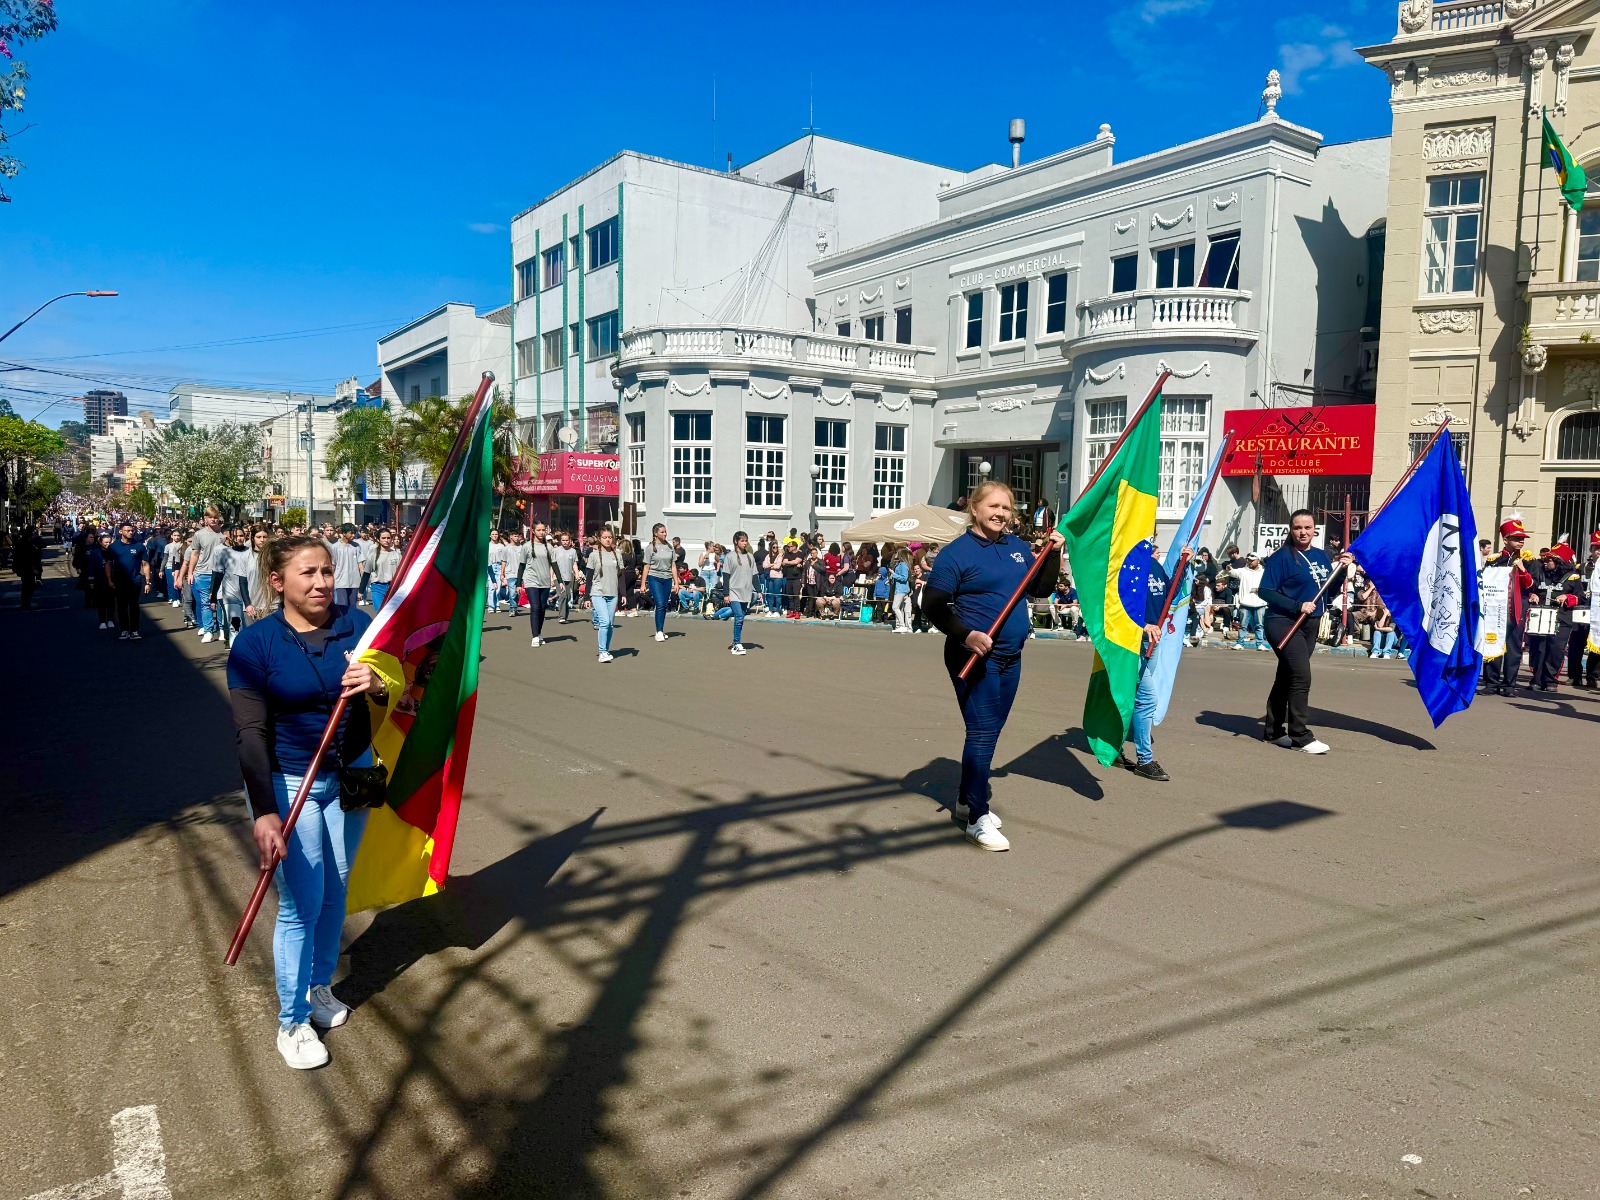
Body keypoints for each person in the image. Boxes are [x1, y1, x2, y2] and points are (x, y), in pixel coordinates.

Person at [227, 533, 397, 1069]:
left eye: (327, 571)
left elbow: (394, 687)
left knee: (335, 892)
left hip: (347, 779)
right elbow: (250, 733)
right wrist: (265, 812)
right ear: (278, 582)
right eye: (309, 573)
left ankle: (319, 988)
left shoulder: (357, 622)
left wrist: (375, 683)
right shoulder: (256, 645)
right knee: (301, 904)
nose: (323, 582)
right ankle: (292, 1022)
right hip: (289, 783)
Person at [921, 481, 1062, 852]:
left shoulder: (1016, 548)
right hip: (973, 656)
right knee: (982, 732)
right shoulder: (957, 553)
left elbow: (1041, 590)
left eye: (1007, 508)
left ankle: (967, 798)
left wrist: (1054, 554)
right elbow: (932, 603)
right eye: (994, 506)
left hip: (1010, 657)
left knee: (992, 730)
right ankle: (977, 816)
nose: (1001, 513)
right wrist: (966, 635)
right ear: (976, 508)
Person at [1258, 509, 1352, 754]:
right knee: (1301, 676)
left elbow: (1327, 592)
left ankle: (1273, 731)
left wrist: (1341, 571)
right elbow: (1265, 591)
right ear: (1291, 530)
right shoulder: (1281, 558)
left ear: (1314, 530)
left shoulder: (1321, 556)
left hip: (1310, 624)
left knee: (1286, 677)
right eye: (1298, 527)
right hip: (1283, 623)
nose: (1303, 532)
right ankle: (1300, 736)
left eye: (1307, 527)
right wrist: (1296, 605)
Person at [1123, 547, 1172, 781]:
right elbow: (1115, 605)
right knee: (1147, 699)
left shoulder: (1155, 565)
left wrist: (1186, 562)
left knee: (1132, 697)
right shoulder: (1125, 564)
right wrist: (1141, 625)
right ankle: (1145, 759)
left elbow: (1171, 591)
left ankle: (1113, 745)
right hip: (1132, 642)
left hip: (1153, 639)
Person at [1482, 517, 1537, 697]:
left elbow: (1532, 586)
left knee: (1514, 647)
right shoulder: (1494, 559)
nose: (1521, 541)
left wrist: (1522, 570)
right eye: (1516, 538)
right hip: (1495, 608)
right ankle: (1491, 683)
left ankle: (1509, 684)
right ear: (1505, 539)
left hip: (1518, 608)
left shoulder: (1529, 561)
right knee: (1492, 641)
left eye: (1522, 538)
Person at [1528, 543, 1584, 691]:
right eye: (1546, 560)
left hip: (1562, 618)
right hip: (1541, 617)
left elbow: (1581, 598)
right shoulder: (1541, 573)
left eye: (1550, 560)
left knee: (1555, 649)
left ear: (1560, 562)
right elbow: (1530, 590)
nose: (1546, 562)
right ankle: (1536, 679)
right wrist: (1532, 595)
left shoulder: (1573, 577)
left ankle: (1550, 681)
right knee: (1538, 648)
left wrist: (1567, 596)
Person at [183, 507, 227, 643]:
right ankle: (208, 630)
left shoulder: (224, 534)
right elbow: (194, 554)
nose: (213, 520)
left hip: (221, 573)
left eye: (215, 517)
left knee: (221, 603)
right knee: (205, 603)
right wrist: (190, 573)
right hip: (203, 573)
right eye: (210, 517)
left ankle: (222, 630)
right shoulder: (199, 535)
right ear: (205, 519)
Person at [106, 520, 152, 641]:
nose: (131, 532)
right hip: (119, 581)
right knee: (121, 606)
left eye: (132, 530)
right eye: (128, 530)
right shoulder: (113, 547)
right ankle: (124, 630)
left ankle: (135, 630)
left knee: (134, 606)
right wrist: (109, 580)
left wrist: (148, 582)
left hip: (135, 580)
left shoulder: (139, 546)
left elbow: (145, 564)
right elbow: (108, 564)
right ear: (121, 531)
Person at [586, 527, 624, 663]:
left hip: (613, 593)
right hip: (598, 592)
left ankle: (606, 650)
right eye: (604, 537)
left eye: (610, 537)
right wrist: (586, 596)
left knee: (611, 624)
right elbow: (589, 577)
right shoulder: (593, 555)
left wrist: (623, 594)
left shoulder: (617, 554)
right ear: (599, 539)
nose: (608, 539)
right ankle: (602, 652)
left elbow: (621, 576)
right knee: (604, 622)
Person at [723, 531, 758, 654]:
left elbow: (754, 575)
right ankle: (737, 643)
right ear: (736, 542)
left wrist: (759, 591)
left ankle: (735, 642)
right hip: (734, 592)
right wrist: (726, 594)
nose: (744, 543)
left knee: (741, 618)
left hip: (746, 592)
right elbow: (726, 576)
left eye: (746, 540)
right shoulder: (730, 556)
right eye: (742, 540)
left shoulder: (750, 557)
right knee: (738, 616)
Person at [522, 523, 556, 647]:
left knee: (542, 608)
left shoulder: (549, 547)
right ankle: (535, 636)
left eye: (543, 530)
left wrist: (560, 581)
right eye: (539, 530)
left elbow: (554, 564)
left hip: (545, 581)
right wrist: (519, 582)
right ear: (533, 531)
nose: (541, 532)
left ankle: (539, 632)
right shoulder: (526, 546)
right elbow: (522, 565)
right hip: (531, 580)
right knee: (535, 607)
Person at [644, 523, 678, 643]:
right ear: (655, 533)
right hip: (654, 577)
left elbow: (673, 565)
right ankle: (658, 632)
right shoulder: (650, 548)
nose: (665, 534)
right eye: (662, 532)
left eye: (665, 532)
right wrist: (643, 584)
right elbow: (646, 566)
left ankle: (661, 630)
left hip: (667, 578)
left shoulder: (670, 547)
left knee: (664, 604)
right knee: (659, 603)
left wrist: (676, 582)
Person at [1232, 552, 1267, 650]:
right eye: (1248, 560)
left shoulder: (1264, 572)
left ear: (1258, 561)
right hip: (1245, 602)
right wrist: (1229, 569)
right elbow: (1233, 572)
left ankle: (1260, 644)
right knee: (1243, 625)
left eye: (1252, 560)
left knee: (1259, 625)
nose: (1249, 562)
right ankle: (1240, 643)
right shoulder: (1243, 571)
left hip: (1260, 602)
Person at [552, 531, 578, 623]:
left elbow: (574, 564)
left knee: (567, 596)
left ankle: (565, 616)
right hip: (558, 577)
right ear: (560, 541)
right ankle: (561, 616)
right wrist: (551, 577)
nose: (565, 542)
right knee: (562, 595)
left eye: (567, 540)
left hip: (569, 577)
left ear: (570, 541)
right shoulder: (556, 550)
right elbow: (553, 565)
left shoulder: (573, 551)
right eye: (563, 540)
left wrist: (577, 574)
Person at [890, 549, 913, 633]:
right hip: (901, 589)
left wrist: (894, 574)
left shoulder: (903, 565)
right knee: (902, 608)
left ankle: (902, 625)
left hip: (901, 589)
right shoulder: (898, 564)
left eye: (897, 553)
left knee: (895, 607)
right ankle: (904, 626)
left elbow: (904, 577)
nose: (895, 554)